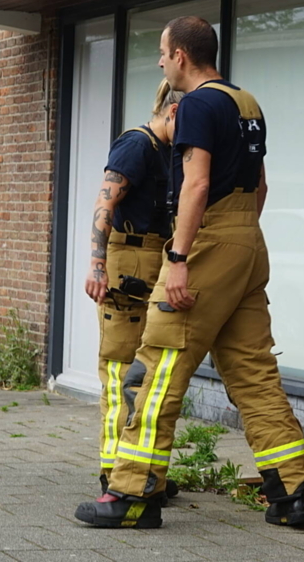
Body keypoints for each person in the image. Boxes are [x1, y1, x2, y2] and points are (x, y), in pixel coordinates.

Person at [75, 16, 304, 530]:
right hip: (248, 239)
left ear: (181, 56)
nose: (160, 62)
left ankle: (131, 494)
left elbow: (196, 185)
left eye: (163, 53)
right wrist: (238, 239)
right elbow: (261, 185)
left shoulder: (200, 106)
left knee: (156, 366)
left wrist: (181, 257)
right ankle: (293, 492)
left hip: (206, 243)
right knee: (253, 370)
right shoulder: (246, 103)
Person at [83, 78, 185, 502]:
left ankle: (140, 472)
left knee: (146, 373)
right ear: (175, 113)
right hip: (127, 262)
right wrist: (97, 263)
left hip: (156, 259)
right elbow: (105, 202)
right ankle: (113, 471)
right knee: (119, 370)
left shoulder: (168, 152)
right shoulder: (137, 145)